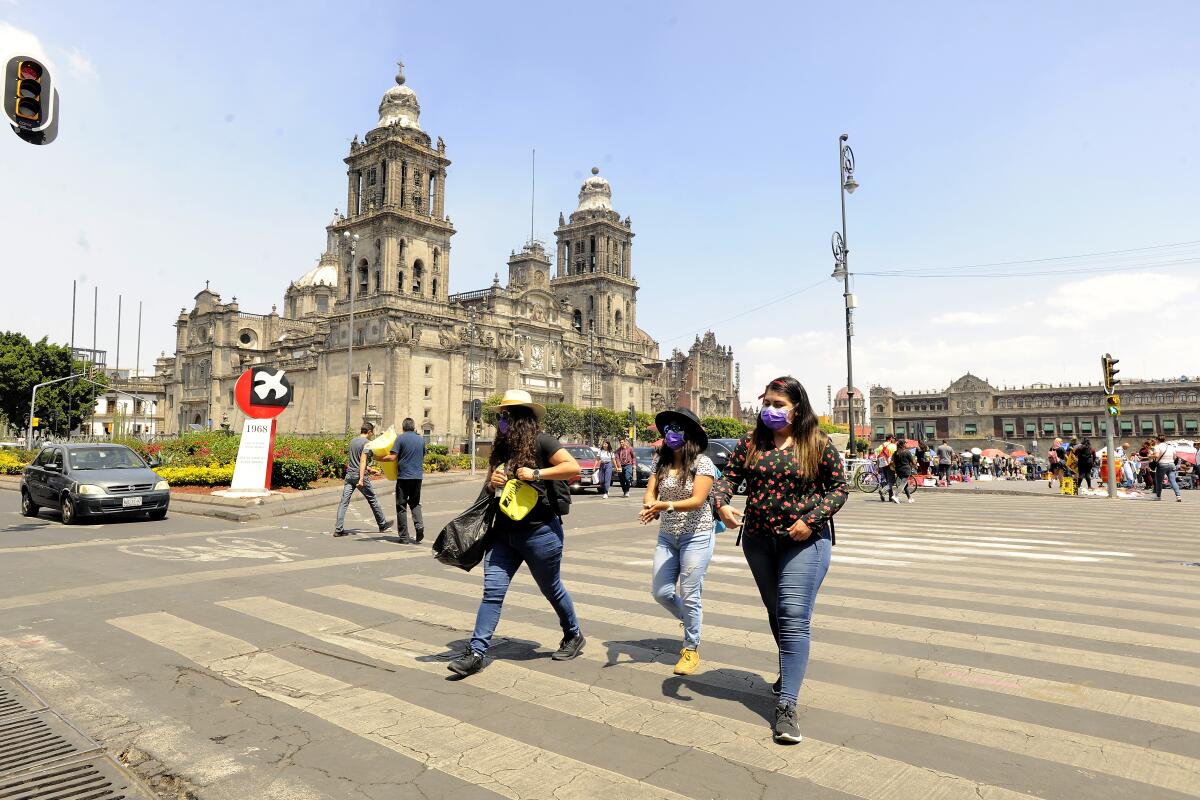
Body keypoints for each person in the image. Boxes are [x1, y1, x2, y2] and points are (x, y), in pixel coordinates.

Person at [714, 376, 848, 744]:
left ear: (797, 408)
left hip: (804, 541)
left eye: (779, 404)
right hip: (758, 541)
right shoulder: (751, 444)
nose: (770, 410)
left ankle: (787, 706)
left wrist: (811, 520)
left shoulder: (817, 444)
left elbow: (839, 488)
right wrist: (721, 503)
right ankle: (788, 671)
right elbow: (728, 478)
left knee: (792, 614)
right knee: (775, 611)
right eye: (767, 403)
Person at [449, 390, 586, 677]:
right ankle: (476, 652)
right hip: (503, 534)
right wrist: (493, 481)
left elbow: (572, 468)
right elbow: (491, 486)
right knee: (492, 593)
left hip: (541, 533)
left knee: (552, 588)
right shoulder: (501, 450)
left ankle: (573, 634)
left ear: (521, 419)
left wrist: (536, 474)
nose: (501, 421)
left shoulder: (543, 441)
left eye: (505, 417)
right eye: (500, 416)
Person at [638, 408, 716, 676]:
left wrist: (664, 505)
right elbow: (650, 493)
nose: (671, 433)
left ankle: (691, 648)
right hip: (668, 536)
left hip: (698, 534)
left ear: (690, 433)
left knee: (690, 594)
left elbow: (697, 501)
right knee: (661, 592)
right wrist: (649, 505)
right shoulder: (661, 462)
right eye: (668, 428)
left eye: (678, 428)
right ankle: (691, 620)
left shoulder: (702, 464)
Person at [333, 423, 393, 537]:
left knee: (344, 502)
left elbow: (355, 461)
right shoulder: (367, 444)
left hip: (349, 475)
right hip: (359, 476)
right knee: (373, 499)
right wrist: (361, 478)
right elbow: (363, 461)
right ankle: (382, 524)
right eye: (373, 432)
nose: (373, 434)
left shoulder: (352, 441)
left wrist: (371, 470)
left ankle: (338, 529)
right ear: (369, 431)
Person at [378, 417, 426, 544]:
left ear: (403, 427)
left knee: (401, 506)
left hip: (404, 477)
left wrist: (379, 458)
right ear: (414, 427)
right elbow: (423, 456)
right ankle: (419, 525)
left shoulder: (400, 438)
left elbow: (392, 457)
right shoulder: (421, 440)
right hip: (417, 477)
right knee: (415, 503)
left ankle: (404, 537)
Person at [1151, 434, 1182, 502]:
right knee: (1173, 481)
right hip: (1171, 464)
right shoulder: (1170, 447)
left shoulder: (1157, 446)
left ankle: (1158, 496)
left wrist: (1150, 456)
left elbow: (1156, 455)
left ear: (1157, 440)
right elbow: (1175, 457)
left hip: (1162, 465)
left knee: (1159, 481)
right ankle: (1178, 496)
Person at [874, 435, 898, 503]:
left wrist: (878, 467)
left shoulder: (880, 446)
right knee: (891, 481)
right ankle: (884, 491)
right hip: (890, 465)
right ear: (890, 438)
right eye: (893, 438)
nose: (894, 439)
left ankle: (890, 496)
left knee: (885, 480)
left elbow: (878, 457)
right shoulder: (893, 446)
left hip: (882, 465)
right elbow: (895, 457)